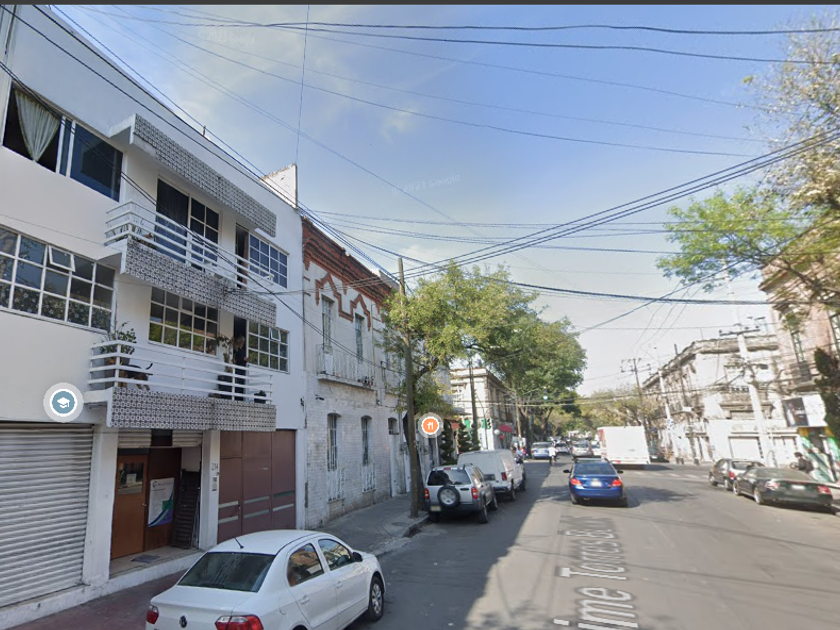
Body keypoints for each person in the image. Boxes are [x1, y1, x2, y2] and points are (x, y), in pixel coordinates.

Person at [232, 335, 248, 401]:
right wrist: (243, 359)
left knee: (241, 384)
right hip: (238, 369)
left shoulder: (242, 351)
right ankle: (237, 398)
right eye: (242, 342)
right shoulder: (236, 350)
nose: (242, 343)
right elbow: (236, 360)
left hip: (242, 369)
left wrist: (245, 360)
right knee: (238, 383)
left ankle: (240, 398)